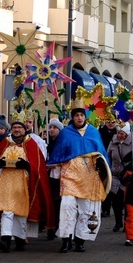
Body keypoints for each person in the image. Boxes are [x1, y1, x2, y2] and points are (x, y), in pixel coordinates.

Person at [46, 99, 111, 253]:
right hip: (70, 174)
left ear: (85, 117)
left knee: (86, 209)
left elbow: (101, 152)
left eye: (82, 115)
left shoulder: (93, 131)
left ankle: (80, 239)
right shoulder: (66, 133)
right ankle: (66, 239)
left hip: (89, 176)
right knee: (67, 206)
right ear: (73, 117)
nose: (79, 118)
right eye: (76, 115)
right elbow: (58, 153)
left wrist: (102, 163)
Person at [0, 114, 53, 252]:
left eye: (19, 127)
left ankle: (20, 238)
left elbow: (38, 167)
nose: (17, 130)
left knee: (21, 212)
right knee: (7, 211)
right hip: (5, 183)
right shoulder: (5, 143)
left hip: (24, 184)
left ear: (24, 129)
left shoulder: (31, 144)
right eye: (14, 127)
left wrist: (26, 166)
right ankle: (5, 239)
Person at [106, 122, 133, 233]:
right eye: (119, 133)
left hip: (128, 176)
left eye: (123, 133)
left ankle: (127, 222)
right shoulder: (113, 142)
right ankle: (118, 222)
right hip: (115, 175)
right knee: (116, 200)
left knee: (127, 201)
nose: (120, 135)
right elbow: (108, 155)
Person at [45, 118, 65, 240]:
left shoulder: (63, 142)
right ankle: (51, 227)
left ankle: (59, 226)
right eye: (50, 127)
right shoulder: (46, 143)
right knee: (51, 202)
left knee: (60, 203)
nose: (51, 130)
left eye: (55, 128)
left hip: (61, 176)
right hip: (50, 176)